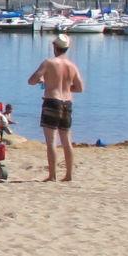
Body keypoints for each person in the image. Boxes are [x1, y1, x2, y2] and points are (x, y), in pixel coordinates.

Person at [27, 37, 86, 182]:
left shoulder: (49, 62)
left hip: (52, 101)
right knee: (66, 140)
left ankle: (52, 175)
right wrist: (66, 87)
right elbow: (80, 88)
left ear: (54, 46)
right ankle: (68, 175)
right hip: (67, 102)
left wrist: (46, 83)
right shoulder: (72, 65)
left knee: (51, 140)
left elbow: (31, 80)